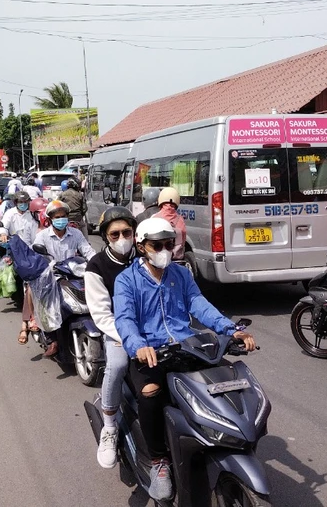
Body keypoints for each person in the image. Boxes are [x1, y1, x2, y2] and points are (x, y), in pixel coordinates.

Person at [113, 218, 255, 501]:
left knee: (228, 381)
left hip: (187, 347)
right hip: (151, 352)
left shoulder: (180, 274)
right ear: (142, 247)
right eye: (157, 245)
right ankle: (159, 462)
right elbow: (125, 319)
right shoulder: (126, 280)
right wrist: (139, 345)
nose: (165, 250)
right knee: (151, 393)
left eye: (169, 244)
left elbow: (198, 304)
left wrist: (231, 330)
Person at [85, 207, 138, 469]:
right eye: (115, 234)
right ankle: (109, 427)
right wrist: (130, 338)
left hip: (150, 328)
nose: (122, 238)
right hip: (117, 330)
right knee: (117, 365)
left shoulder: (145, 256)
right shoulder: (96, 266)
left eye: (127, 232)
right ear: (106, 236)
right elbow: (102, 315)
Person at [32, 200, 96, 356]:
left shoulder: (76, 234)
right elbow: (36, 256)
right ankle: (51, 338)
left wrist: (96, 263)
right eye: (57, 217)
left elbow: (88, 251)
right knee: (51, 304)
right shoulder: (42, 236)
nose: (61, 219)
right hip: (51, 278)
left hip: (74, 274)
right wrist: (49, 265)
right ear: (50, 219)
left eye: (64, 216)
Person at [155, 187, 187, 260]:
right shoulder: (181, 220)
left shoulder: (155, 218)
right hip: (177, 259)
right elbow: (183, 241)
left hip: (159, 259)